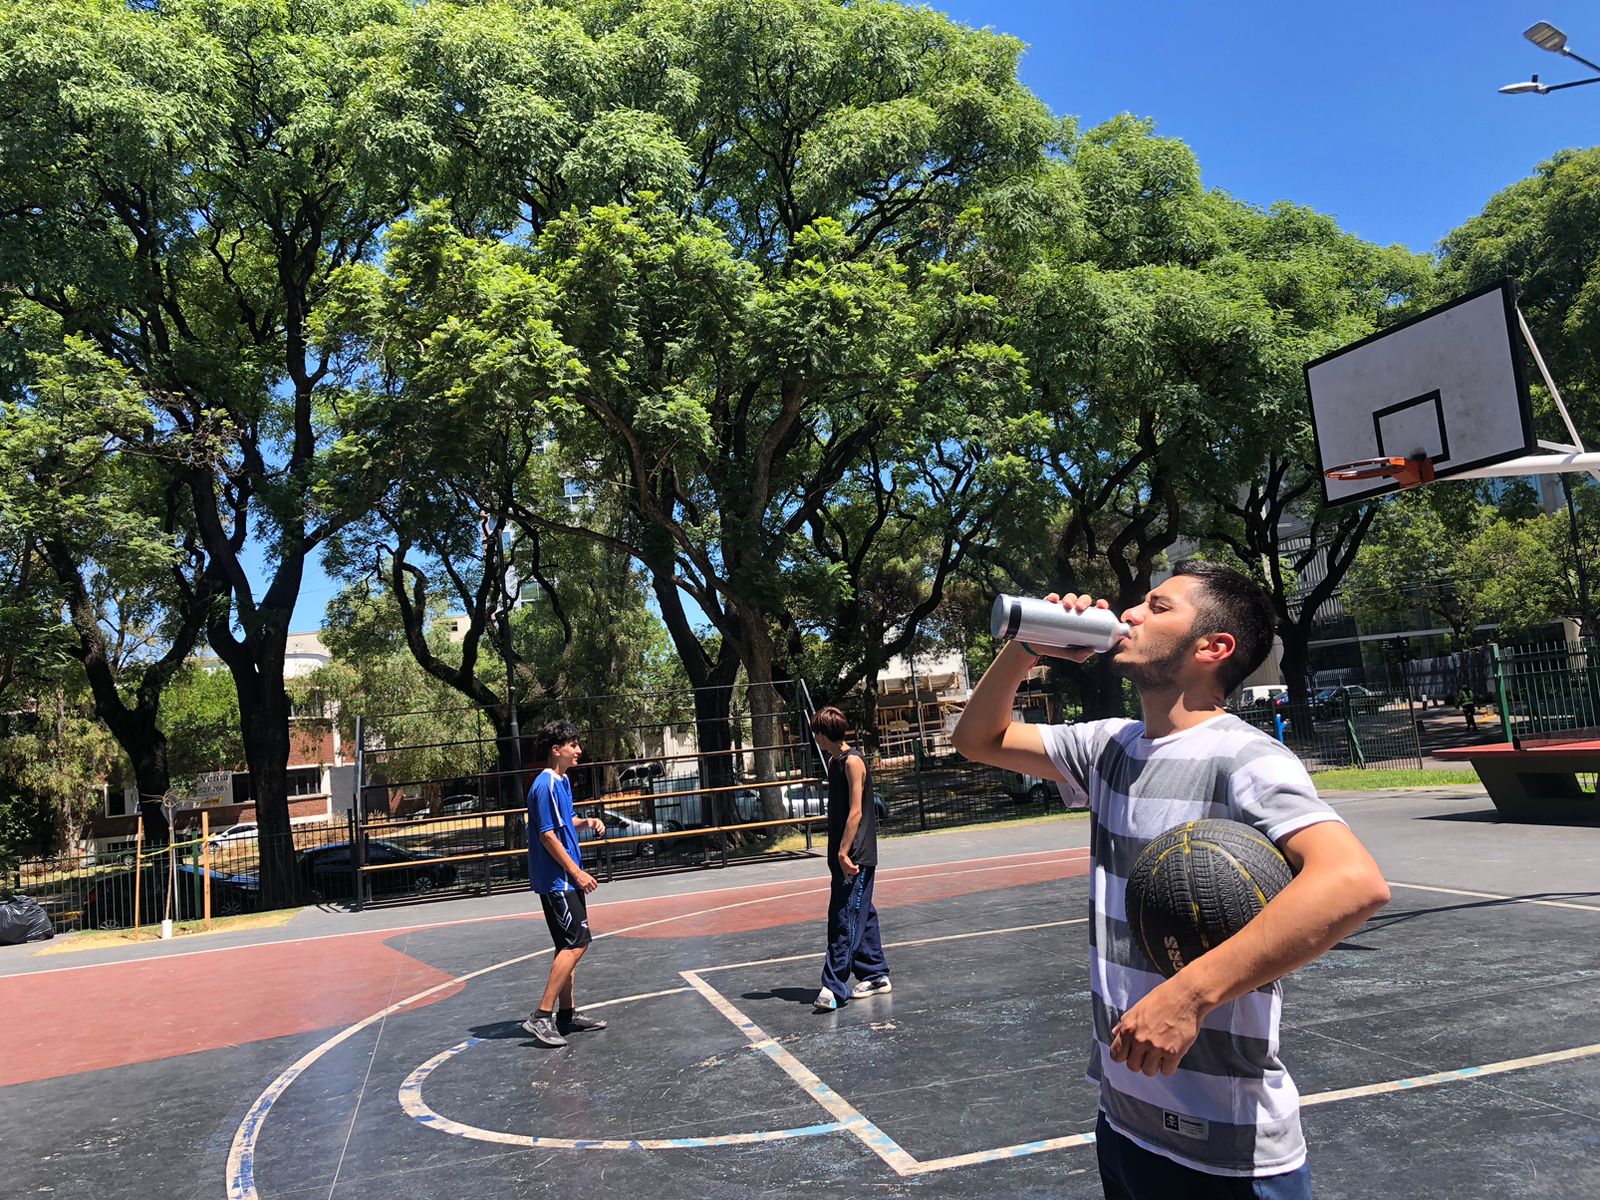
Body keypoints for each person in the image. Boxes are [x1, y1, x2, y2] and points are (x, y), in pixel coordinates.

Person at [953, 561, 1390, 1198]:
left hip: (1227, 1152)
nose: (1129, 614)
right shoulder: (1109, 746)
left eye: (1158, 607)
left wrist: (1187, 997)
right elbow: (978, 738)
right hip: (1125, 1122)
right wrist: (1025, 650)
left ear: (1211, 648)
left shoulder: (1247, 758)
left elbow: (1353, 882)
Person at [522, 719, 610, 1049]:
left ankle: (565, 1015)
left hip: (565, 879)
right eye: (572, 745)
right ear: (556, 750)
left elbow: (562, 823)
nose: (579, 750)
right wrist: (576, 873)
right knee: (576, 943)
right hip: (558, 881)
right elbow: (547, 836)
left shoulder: (562, 781)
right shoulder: (544, 785)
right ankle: (541, 1016)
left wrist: (585, 821)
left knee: (568, 946)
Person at [810, 705, 890, 1012]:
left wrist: (844, 852)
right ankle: (876, 973)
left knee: (845, 919)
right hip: (841, 855)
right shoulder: (834, 760)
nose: (814, 737)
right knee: (862, 912)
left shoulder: (853, 761)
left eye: (816, 732)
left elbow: (856, 811)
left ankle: (834, 988)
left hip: (855, 855)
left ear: (822, 734)